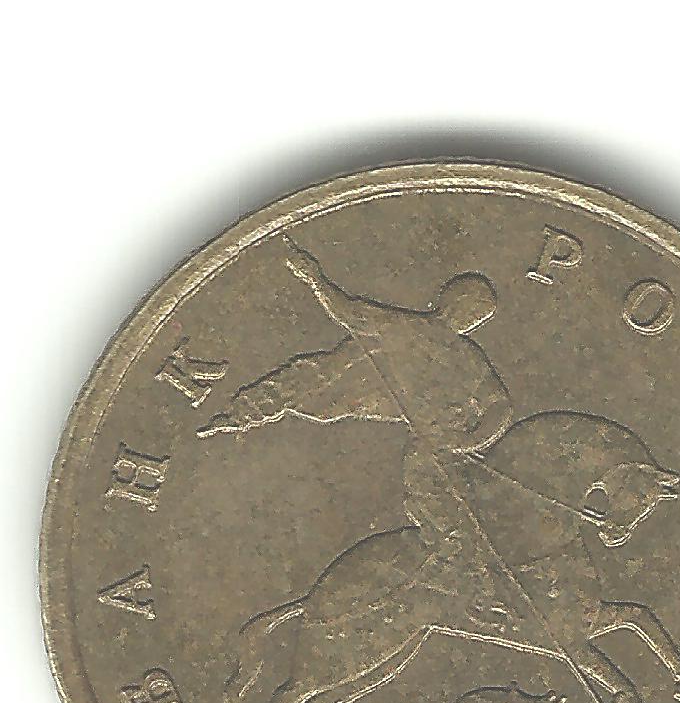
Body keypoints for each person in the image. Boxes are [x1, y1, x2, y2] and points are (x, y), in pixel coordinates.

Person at [202, 239, 515, 619]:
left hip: (462, 450)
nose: (472, 319)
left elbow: (499, 406)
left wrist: (468, 440)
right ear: (452, 302)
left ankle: (482, 579)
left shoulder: (466, 355)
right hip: (431, 452)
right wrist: (314, 278)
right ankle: (467, 588)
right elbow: (348, 311)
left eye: (478, 316)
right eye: (473, 309)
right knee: (447, 514)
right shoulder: (403, 330)